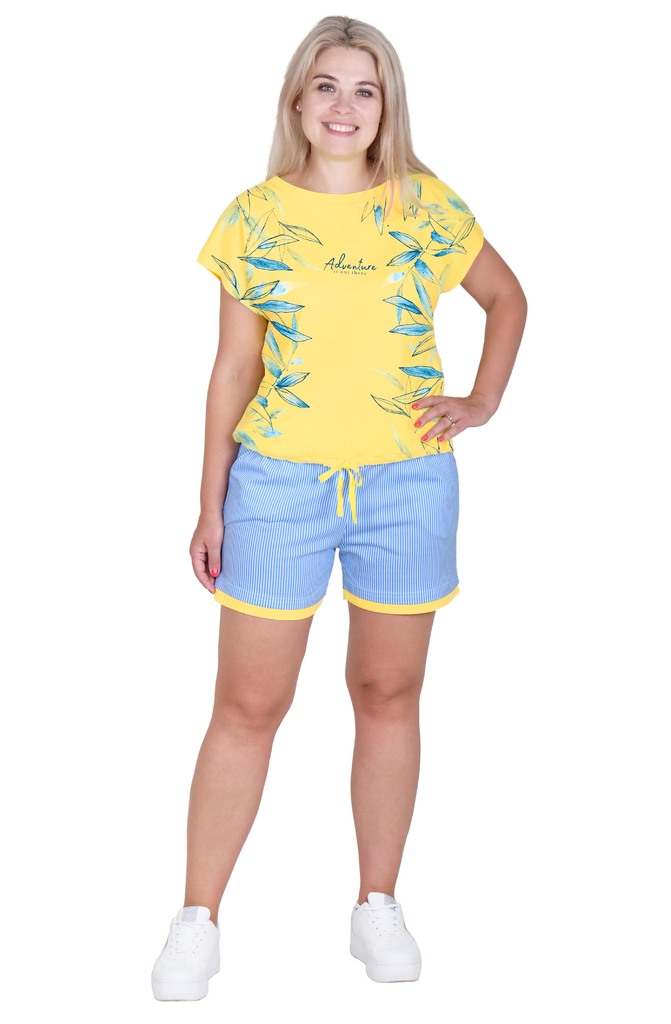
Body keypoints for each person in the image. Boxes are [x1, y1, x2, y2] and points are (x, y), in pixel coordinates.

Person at [151, 14, 527, 999]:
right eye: (326, 86)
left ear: (387, 106)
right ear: (296, 99)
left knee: (386, 693)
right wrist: (210, 503)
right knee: (248, 703)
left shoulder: (425, 208)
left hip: (407, 483)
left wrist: (481, 401)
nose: (345, 106)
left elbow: (506, 297)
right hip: (278, 483)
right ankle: (197, 919)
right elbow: (232, 368)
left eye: (365, 89)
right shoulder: (254, 216)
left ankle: (376, 904)